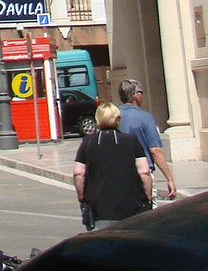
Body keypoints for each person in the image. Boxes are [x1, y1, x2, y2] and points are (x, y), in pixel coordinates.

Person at [72, 102, 151, 230]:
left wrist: (82, 197)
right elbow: (144, 171)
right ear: (117, 119)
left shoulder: (88, 143)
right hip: (131, 207)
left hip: (100, 209)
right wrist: (147, 197)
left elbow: (78, 173)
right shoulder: (131, 140)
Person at [118, 78, 178, 202]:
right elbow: (155, 151)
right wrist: (169, 179)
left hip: (118, 174)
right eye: (141, 92)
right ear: (135, 95)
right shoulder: (145, 118)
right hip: (142, 174)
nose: (142, 96)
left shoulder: (113, 117)